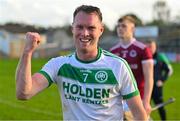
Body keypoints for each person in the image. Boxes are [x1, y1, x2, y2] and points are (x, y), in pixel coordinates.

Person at [15, 5, 147, 120]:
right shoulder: (58, 65)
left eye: (91, 28)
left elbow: (139, 115)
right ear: (73, 29)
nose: (85, 33)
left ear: (101, 30)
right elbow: (24, 93)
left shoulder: (118, 66)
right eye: (80, 27)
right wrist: (27, 52)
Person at [110, 15, 154, 120]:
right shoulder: (112, 51)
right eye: (118, 26)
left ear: (133, 29)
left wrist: (146, 102)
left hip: (138, 99)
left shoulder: (143, 49)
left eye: (124, 26)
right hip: (118, 100)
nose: (120, 28)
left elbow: (149, 78)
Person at [146, 40, 173, 121]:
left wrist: (162, 80)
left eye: (152, 47)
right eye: (148, 47)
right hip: (146, 87)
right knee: (145, 107)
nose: (150, 49)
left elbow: (169, 70)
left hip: (157, 88)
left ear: (155, 47)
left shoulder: (160, 57)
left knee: (160, 106)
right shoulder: (144, 57)